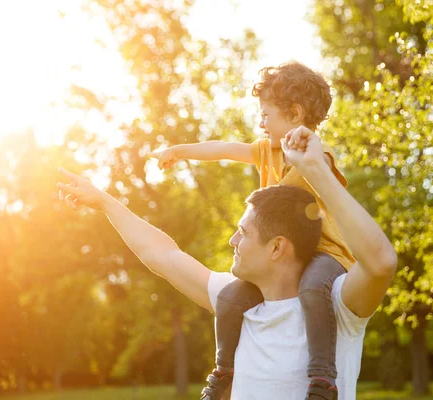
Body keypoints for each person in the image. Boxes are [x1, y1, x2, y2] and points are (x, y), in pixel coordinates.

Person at [57, 127, 397, 400]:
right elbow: (161, 254)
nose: (232, 242)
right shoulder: (237, 302)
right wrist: (103, 201)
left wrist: (315, 170)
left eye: (243, 233)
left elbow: (381, 262)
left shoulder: (337, 305)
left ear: (277, 247)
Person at [149, 61, 355, 399]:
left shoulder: (318, 155)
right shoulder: (268, 151)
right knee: (230, 298)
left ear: (294, 113)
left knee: (315, 289)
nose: (260, 122)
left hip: (324, 254)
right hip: (282, 256)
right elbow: (225, 148)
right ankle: (224, 373)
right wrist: (180, 151)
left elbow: (284, 199)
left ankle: (322, 379)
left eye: (266, 114)